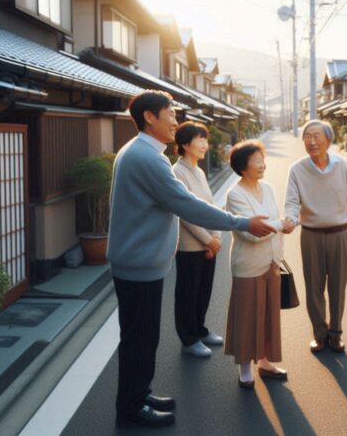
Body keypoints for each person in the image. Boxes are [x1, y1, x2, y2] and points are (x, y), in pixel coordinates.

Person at [107, 91, 276, 428]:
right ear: (150, 117)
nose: (175, 120)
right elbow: (186, 205)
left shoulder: (140, 152)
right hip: (139, 264)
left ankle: (138, 394)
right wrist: (241, 222)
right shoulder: (148, 158)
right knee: (140, 338)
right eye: (170, 113)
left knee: (142, 336)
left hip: (139, 262)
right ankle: (130, 406)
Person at [284, 119, 347, 353]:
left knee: (338, 287)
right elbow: (291, 203)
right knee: (314, 287)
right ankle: (319, 334)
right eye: (307, 136)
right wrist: (290, 219)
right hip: (311, 235)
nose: (311, 141)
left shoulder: (341, 166)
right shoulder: (297, 169)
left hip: (340, 234)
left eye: (317, 136)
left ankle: (336, 333)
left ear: (329, 140)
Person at [224, 140, 295, 388]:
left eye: (262, 159)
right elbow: (252, 233)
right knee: (246, 317)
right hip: (248, 264)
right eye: (257, 161)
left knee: (268, 314)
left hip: (272, 261)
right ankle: (245, 367)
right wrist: (281, 225)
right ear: (243, 167)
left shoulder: (268, 188)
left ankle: (264, 361)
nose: (262, 164)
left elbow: (272, 222)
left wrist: (281, 225)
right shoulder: (234, 194)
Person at [172, 122, 223, 358]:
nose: (205, 144)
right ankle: (188, 339)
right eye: (199, 139)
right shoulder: (177, 172)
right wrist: (207, 240)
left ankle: (200, 330)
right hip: (190, 245)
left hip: (208, 243)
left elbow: (210, 207)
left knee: (203, 291)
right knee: (187, 293)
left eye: (206, 139)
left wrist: (216, 237)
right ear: (184, 144)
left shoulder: (199, 171)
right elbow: (185, 212)